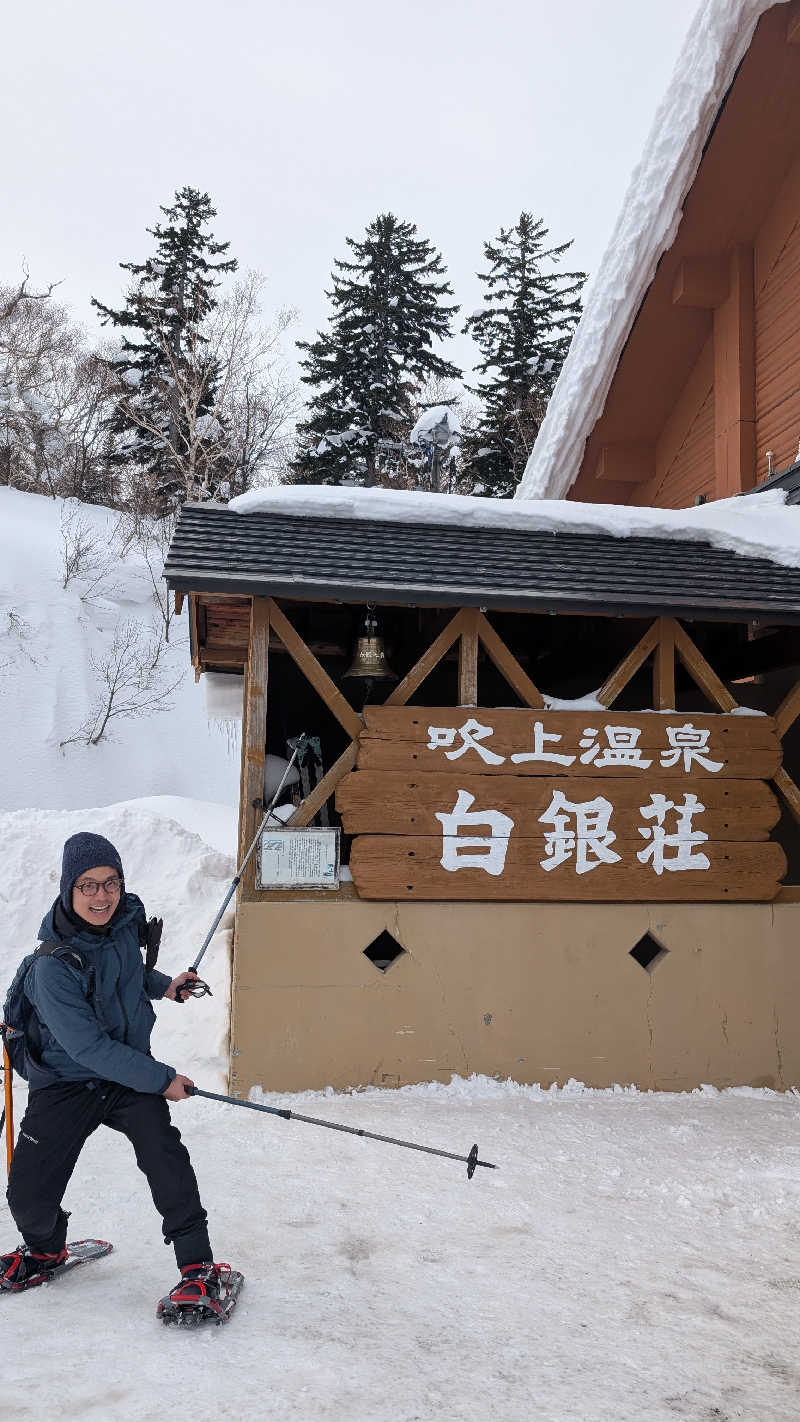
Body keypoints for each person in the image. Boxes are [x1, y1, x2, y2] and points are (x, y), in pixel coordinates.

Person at [1, 831, 225, 1315]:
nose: (102, 896)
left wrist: (166, 986)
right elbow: (87, 1047)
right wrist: (161, 1078)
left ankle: (197, 1267)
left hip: (123, 1074)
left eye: (110, 883)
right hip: (67, 1079)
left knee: (164, 1153)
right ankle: (45, 1250)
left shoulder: (124, 923)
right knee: (27, 1196)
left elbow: (126, 973)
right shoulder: (50, 966)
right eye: (88, 885)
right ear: (68, 889)